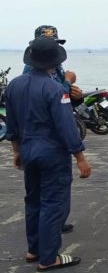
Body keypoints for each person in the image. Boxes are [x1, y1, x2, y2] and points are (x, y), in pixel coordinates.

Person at [5, 36, 92, 271]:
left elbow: (11, 124)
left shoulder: (14, 85)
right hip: (52, 153)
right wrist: (80, 157)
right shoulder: (55, 89)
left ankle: (34, 250)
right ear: (54, 62)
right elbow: (66, 126)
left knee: (33, 200)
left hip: (28, 150)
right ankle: (49, 257)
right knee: (54, 204)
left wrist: (16, 151)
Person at [23, 25, 82, 234]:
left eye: (55, 44)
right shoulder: (33, 70)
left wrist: (75, 95)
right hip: (49, 140)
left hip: (43, 140)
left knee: (45, 194)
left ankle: (50, 226)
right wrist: (67, 83)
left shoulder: (55, 67)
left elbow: (62, 98)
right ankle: (48, 237)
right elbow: (51, 98)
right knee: (50, 193)